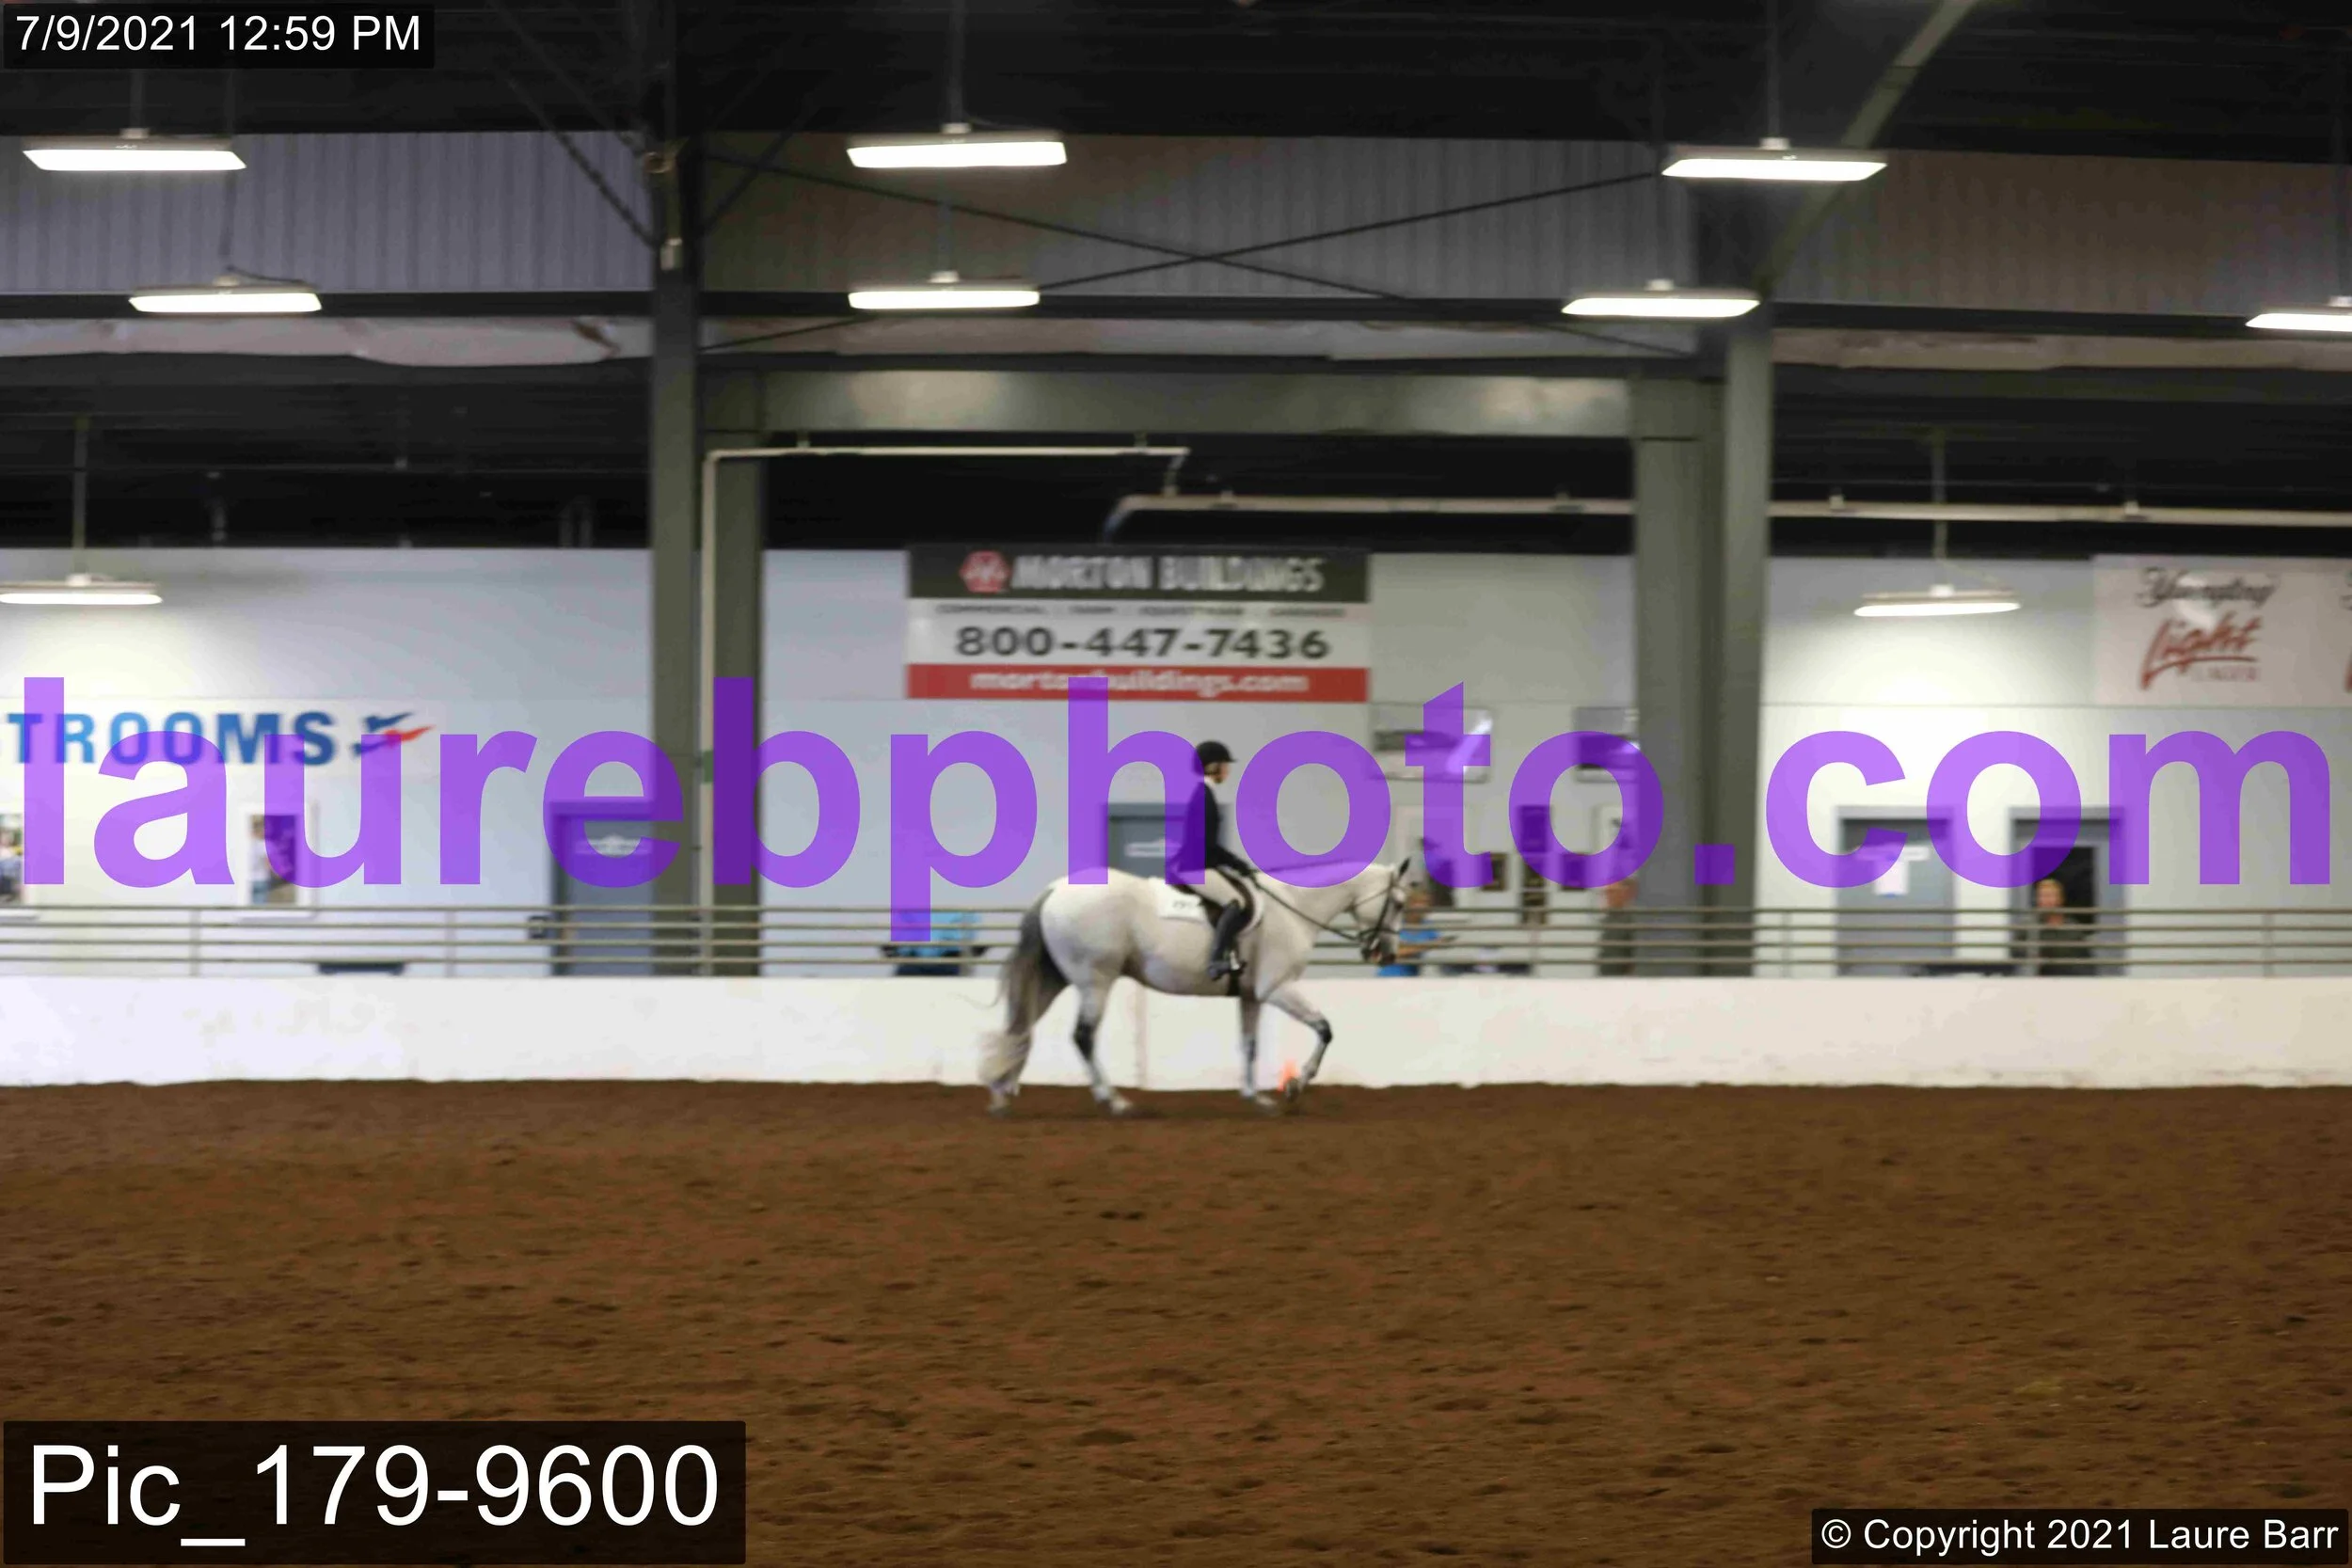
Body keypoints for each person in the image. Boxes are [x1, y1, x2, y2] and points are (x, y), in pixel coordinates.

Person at [1170, 739, 1255, 980]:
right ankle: (1217, 959)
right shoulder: (1203, 796)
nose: (1228, 771)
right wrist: (1239, 865)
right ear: (1213, 767)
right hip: (1195, 867)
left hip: (1199, 864)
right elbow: (1208, 845)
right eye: (1225, 766)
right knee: (1235, 902)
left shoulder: (1203, 793)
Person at [1377, 885, 1444, 977]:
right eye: (1417, 902)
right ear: (1408, 904)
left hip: (1414, 979)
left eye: (1426, 902)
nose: (1423, 906)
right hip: (1389, 977)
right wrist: (1423, 946)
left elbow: (1438, 947)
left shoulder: (1429, 927)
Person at [1596, 876, 1639, 976]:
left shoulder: (1631, 920)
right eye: (1606, 893)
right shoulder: (1609, 919)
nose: (1607, 897)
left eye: (1612, 892)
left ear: (1626, 893)